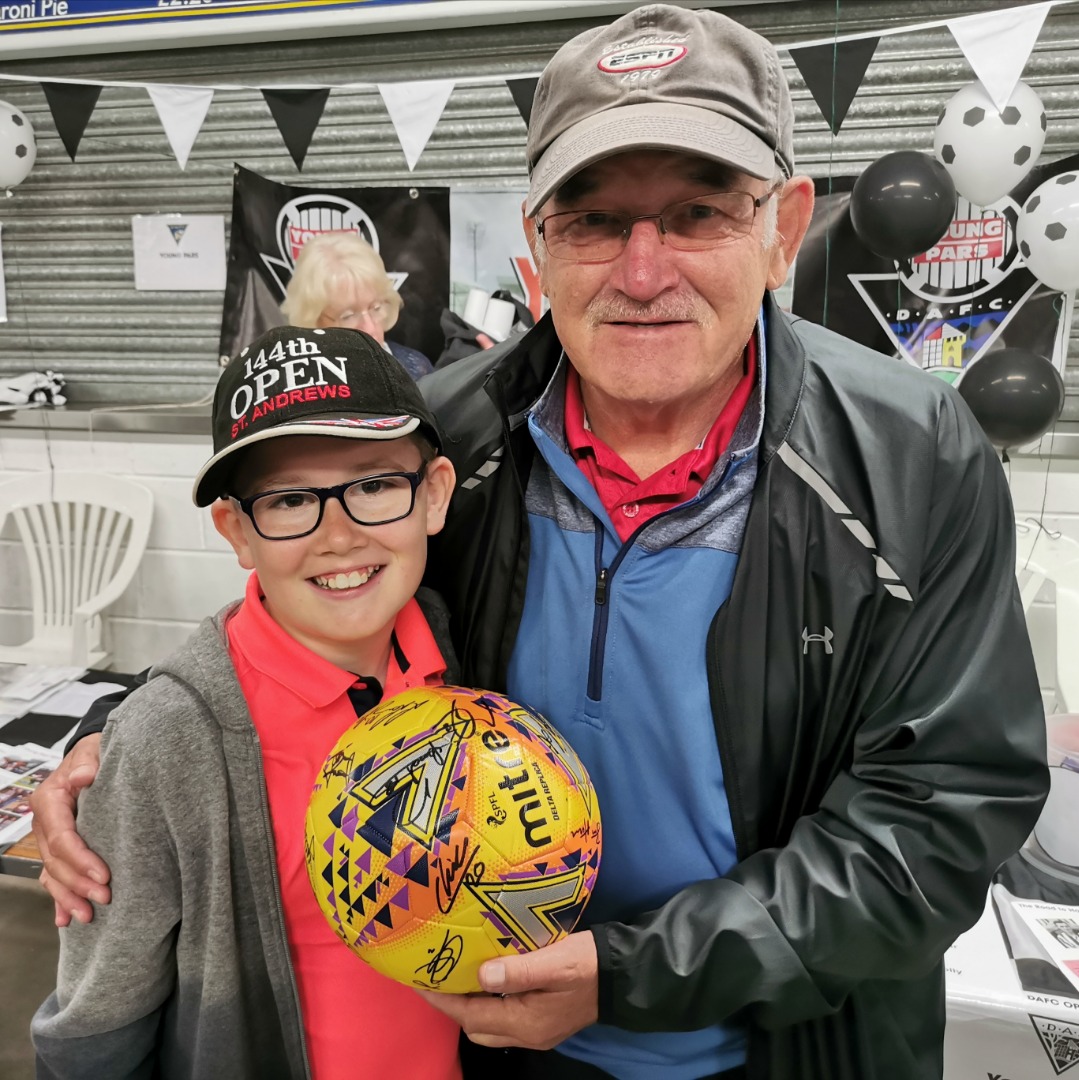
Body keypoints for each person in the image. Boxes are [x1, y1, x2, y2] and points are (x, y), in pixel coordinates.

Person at [31, 6, 1049, 1079]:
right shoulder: (462, 435)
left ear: (781, 229)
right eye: (594, 221)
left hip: (790, 1047)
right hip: (488, 1044)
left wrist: (629, 974)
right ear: (536, 245)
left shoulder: (909, 455)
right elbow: (319, 600)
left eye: (698, 211)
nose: (641, 270)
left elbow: (943, 808)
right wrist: (135, 731)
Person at [31, 325, 461, 1079]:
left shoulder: (453, 654)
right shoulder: (171, 740)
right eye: (290, 499)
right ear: (236, 531)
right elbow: (95, 1021)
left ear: (432, 496)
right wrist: (118, 731)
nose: (339, 535)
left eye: (371, 485)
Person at [281, 231, 435, 381]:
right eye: (348, 316)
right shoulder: (298, 386)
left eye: (376, 308)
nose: (370, 329)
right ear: (314, 322)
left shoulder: (415, 371)